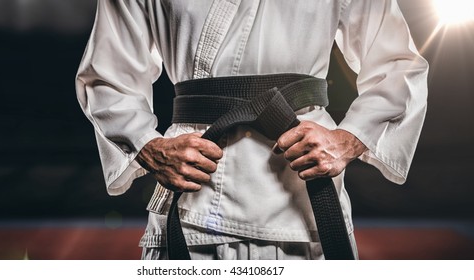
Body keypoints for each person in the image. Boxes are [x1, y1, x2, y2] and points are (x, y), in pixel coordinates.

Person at [75, 0, 428, 260]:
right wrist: (147, 144)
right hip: (195, 200)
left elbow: (398, 64)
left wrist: (349, 139)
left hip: (302, 201)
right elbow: (107, 75)